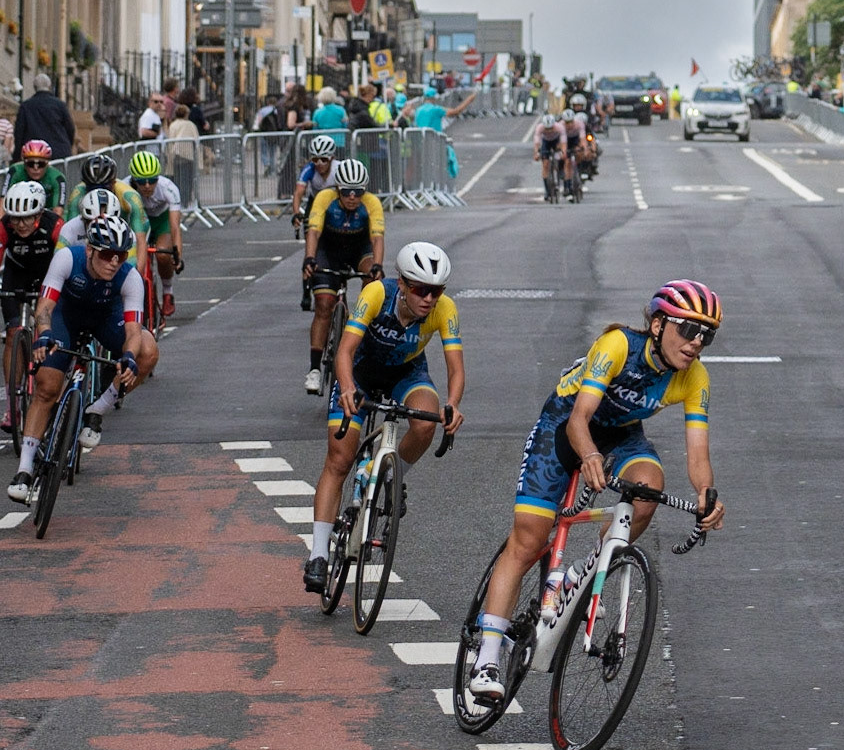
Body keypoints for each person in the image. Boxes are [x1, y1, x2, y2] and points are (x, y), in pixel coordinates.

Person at [466, 281, 726, 704]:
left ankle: (581, 576)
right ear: (658, 325)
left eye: (707, 335)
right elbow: (579, 419)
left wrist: (706, 494)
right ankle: (488, 656)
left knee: (649, 487)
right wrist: (587, 455)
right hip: (565, 427)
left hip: (621, 435)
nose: (696, 343)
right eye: (687, 329)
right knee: (531, 537)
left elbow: (698, 454)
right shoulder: (617, 344)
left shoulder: (695, 378)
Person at [302, 241, 467, 594]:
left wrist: (452, 404)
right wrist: (346, 388)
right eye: (421, 290)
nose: (429, 299)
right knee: (339, 458)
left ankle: (392, 477)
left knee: (425, 420)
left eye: (437, 291)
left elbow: (455, 369)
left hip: (407, 373)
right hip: (360, 372)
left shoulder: (444, 309)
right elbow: (345, 351)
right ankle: (318, 553)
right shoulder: (377, 293)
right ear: (403, 285)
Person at [8, 216, 160, 503]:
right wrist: (44, 334)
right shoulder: (67, 258)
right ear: (90, 249)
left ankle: (97, 410)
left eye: (120, 255)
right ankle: (25, 469)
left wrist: (128, 356)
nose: (113, 262)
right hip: (67, 316)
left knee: (148, 351)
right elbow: (45, 307)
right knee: (47, 387)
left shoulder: (130, 278)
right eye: (106, 254)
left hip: (106, 318)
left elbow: (132, 330)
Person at [0, 180, 64, 431]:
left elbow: (67, 264)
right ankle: (11, 404)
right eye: (16, 219)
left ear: (39, 213)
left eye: (27, 219)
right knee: (13, 333)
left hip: (50, 273)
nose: (21, 225)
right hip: (18, 273)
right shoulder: (4, 228)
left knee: (49, 328)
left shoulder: (55, 226)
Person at [301, 157, 385, 394]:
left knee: (373, 274)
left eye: (357, 192)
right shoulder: (324, 199)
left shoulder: (371, 203)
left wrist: (377, 265)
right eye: (347, 191)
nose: (352, 197)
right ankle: (315, 369)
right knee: (324, 304)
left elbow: (377, 238)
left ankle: (364, 320)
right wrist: (309, 258)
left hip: (359, 249)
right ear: (338, 189)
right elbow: (314, 232)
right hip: (329, 250)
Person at [128, 151, 183, 319]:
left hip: (161, 221)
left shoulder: (169, 188)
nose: (146, 186)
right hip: (138, 221)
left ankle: (168, 291)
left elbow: (175, 227)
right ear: (133, 180)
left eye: (152, 180)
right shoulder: (124, 188)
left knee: (162, 254)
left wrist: (177, 255)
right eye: (141, 181)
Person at [64, 154, 149, 246]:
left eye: (104, 188)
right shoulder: (77, 194)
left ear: (114, 183)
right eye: (92, 188)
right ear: (85, 185)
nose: (98, 192)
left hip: (126, 227)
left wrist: (138, 260)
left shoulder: (129, 196)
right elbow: (71, 232)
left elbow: (139, 238)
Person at [14, 72, 77, 162]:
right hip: (59, 152)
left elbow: (19, 132)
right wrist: (68, 145)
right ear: (49, 86)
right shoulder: (60, 105)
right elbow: (70, 128)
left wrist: (17, 156)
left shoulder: (26, 106)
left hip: (34, 154)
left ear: (34, 87)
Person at [5, 141, 68, 218]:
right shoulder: (14, 171)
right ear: (24, 162)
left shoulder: (58, 178)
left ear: (47, 163)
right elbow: (3, 201)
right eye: (31, 164)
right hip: (21, 216)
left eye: (41, 164)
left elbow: (58, 211)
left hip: (48, 217)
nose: (36, 169)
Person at [56, 188, 128, 254]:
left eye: (104, 225)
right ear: (84, 219)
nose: (98, 229)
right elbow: (58, 257)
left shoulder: (125, 232)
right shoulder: (69, 228)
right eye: (92, 223)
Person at [533, 112, 566, 198]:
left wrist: (563, 152)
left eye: (551, 128)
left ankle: (560, 169)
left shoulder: (559, 127)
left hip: (556, 141)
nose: (549, 131)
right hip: (546, 142)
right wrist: (536, 153)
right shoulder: (539, 128)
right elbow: (537, 142)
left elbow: (563, 142)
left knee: (561, 156)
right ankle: (547, 190)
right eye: (547, 129)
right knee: (545, 164)